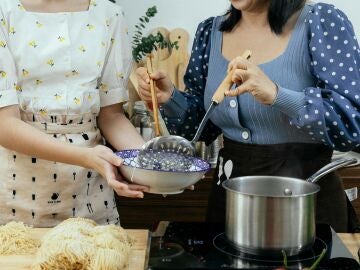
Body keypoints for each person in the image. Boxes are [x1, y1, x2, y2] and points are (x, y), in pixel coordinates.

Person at [136, 0, 360, 232]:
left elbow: (352, 123)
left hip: (305, 206)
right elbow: (200, 130)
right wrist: (170, 98)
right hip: (229, 204)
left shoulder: (320, 21)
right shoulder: (210, 32)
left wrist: (276, 94)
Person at [0, 0, 149, 227]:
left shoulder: (109, 15)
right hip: (17, 192)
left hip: (89, 192)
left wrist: (155, 166)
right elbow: (5, 125)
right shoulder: (5, 11)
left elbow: (112, 117)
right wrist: (86, 157)